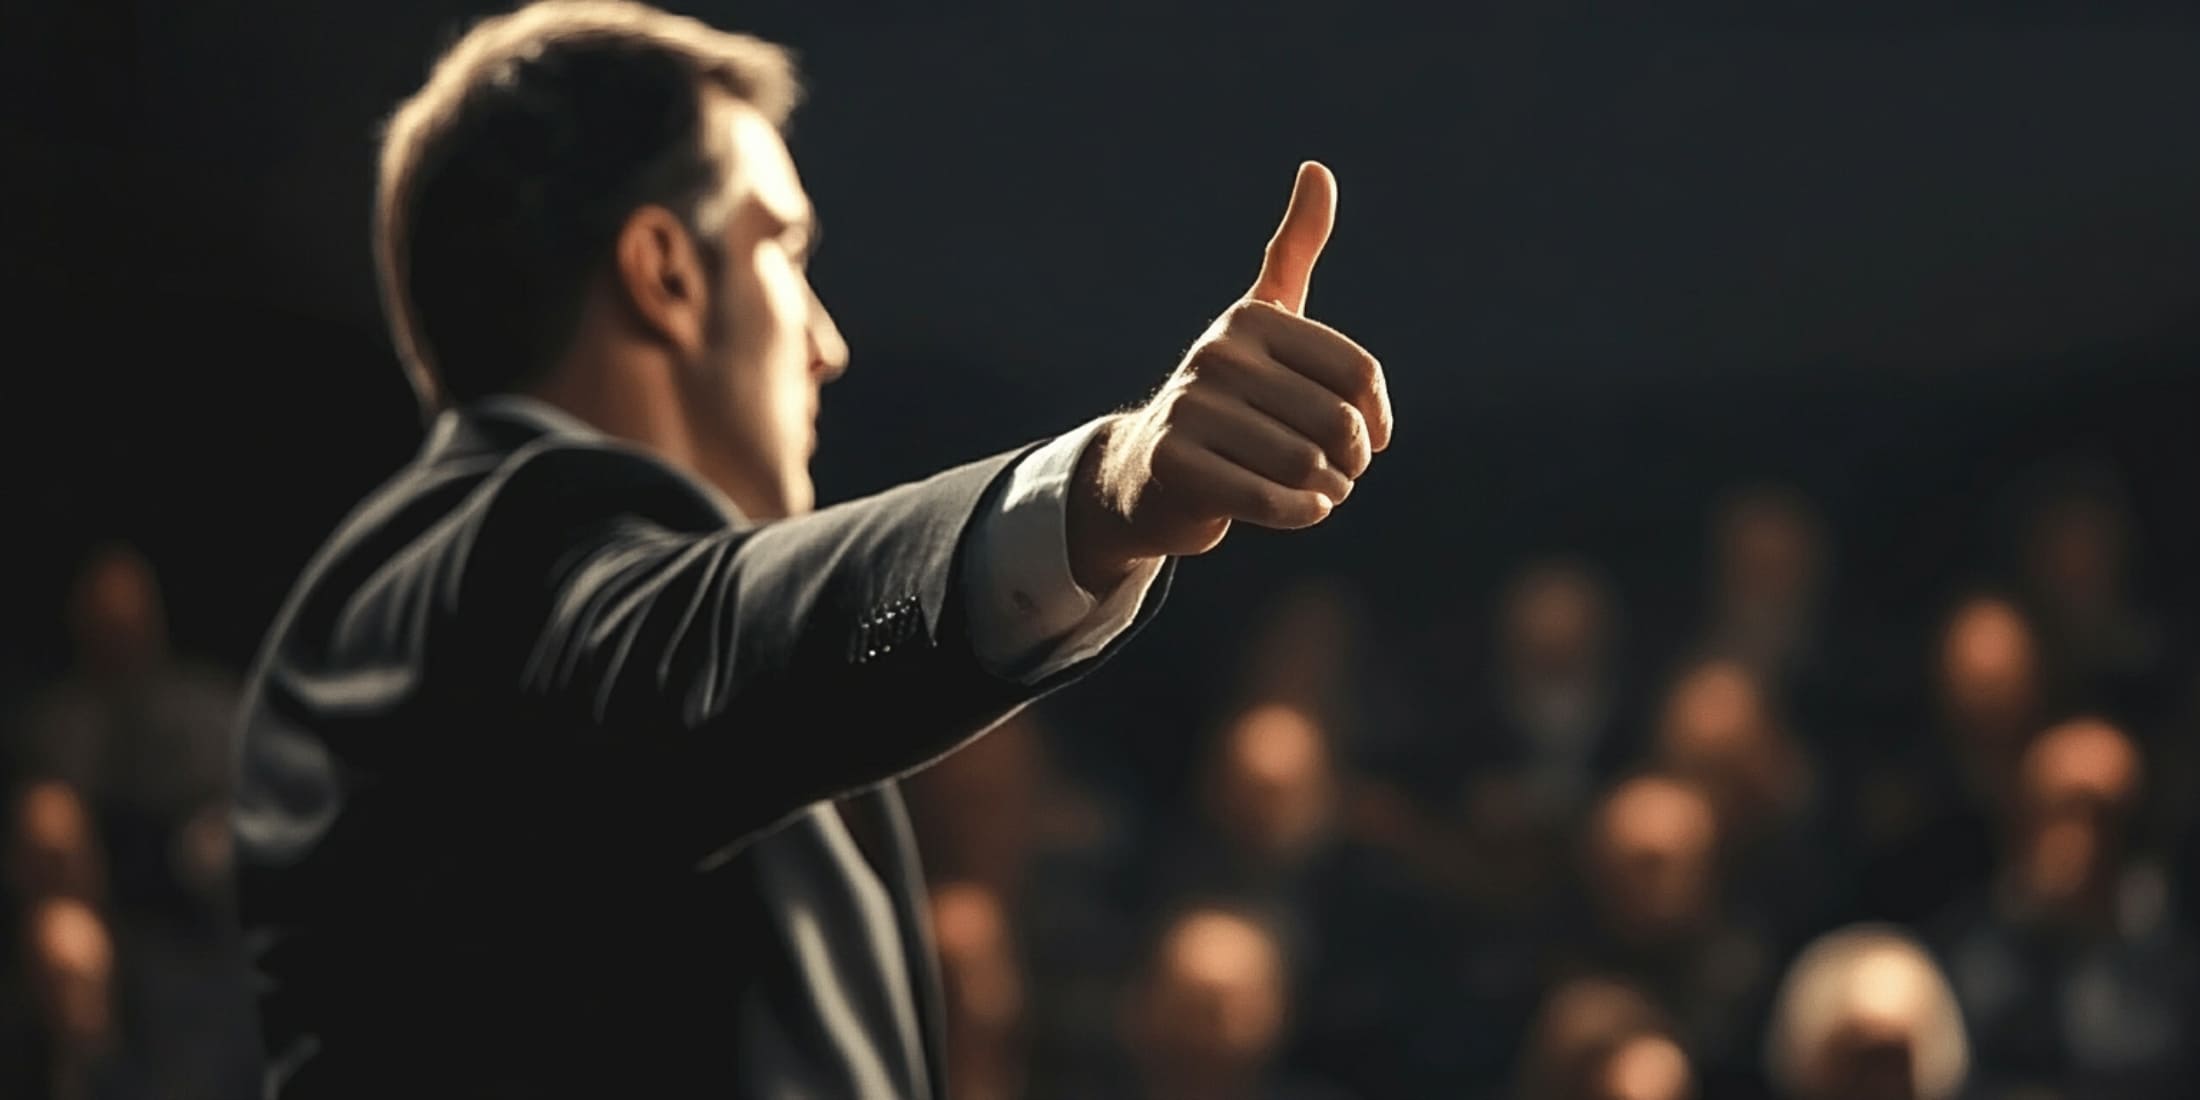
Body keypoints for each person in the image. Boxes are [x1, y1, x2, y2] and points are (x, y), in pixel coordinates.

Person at [227, 1, 1394, 1097]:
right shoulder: (475, 564)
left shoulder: (529, 636)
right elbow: (697, 635)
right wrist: (1106, 485)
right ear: (665, 274)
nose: (828, 342)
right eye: (781, 249)